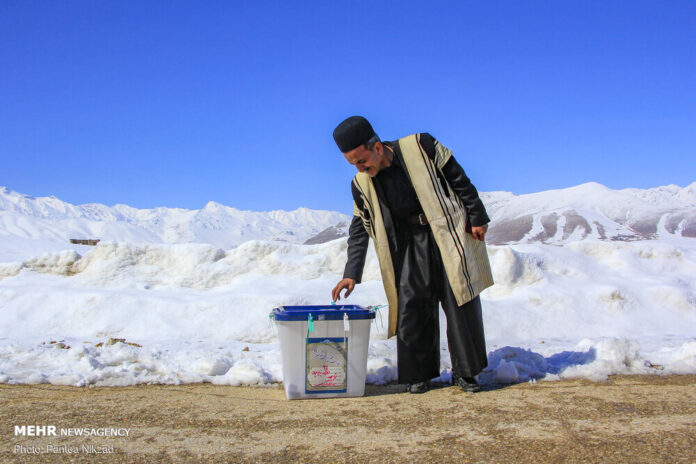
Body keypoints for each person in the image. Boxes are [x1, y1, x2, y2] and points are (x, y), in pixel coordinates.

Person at [330, 116, 494, 394]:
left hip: (446, 232)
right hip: (407, 244)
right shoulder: (361, 185)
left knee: (460, 299)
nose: (359, 168)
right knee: (411, 305)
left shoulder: (422, 145)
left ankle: (466, 373)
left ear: (378, 148)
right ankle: (419, 374)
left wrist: (477, 216)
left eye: (361, 160)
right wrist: (351, 273)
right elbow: (359, 228)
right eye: (353, 164)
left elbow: (458, 178)